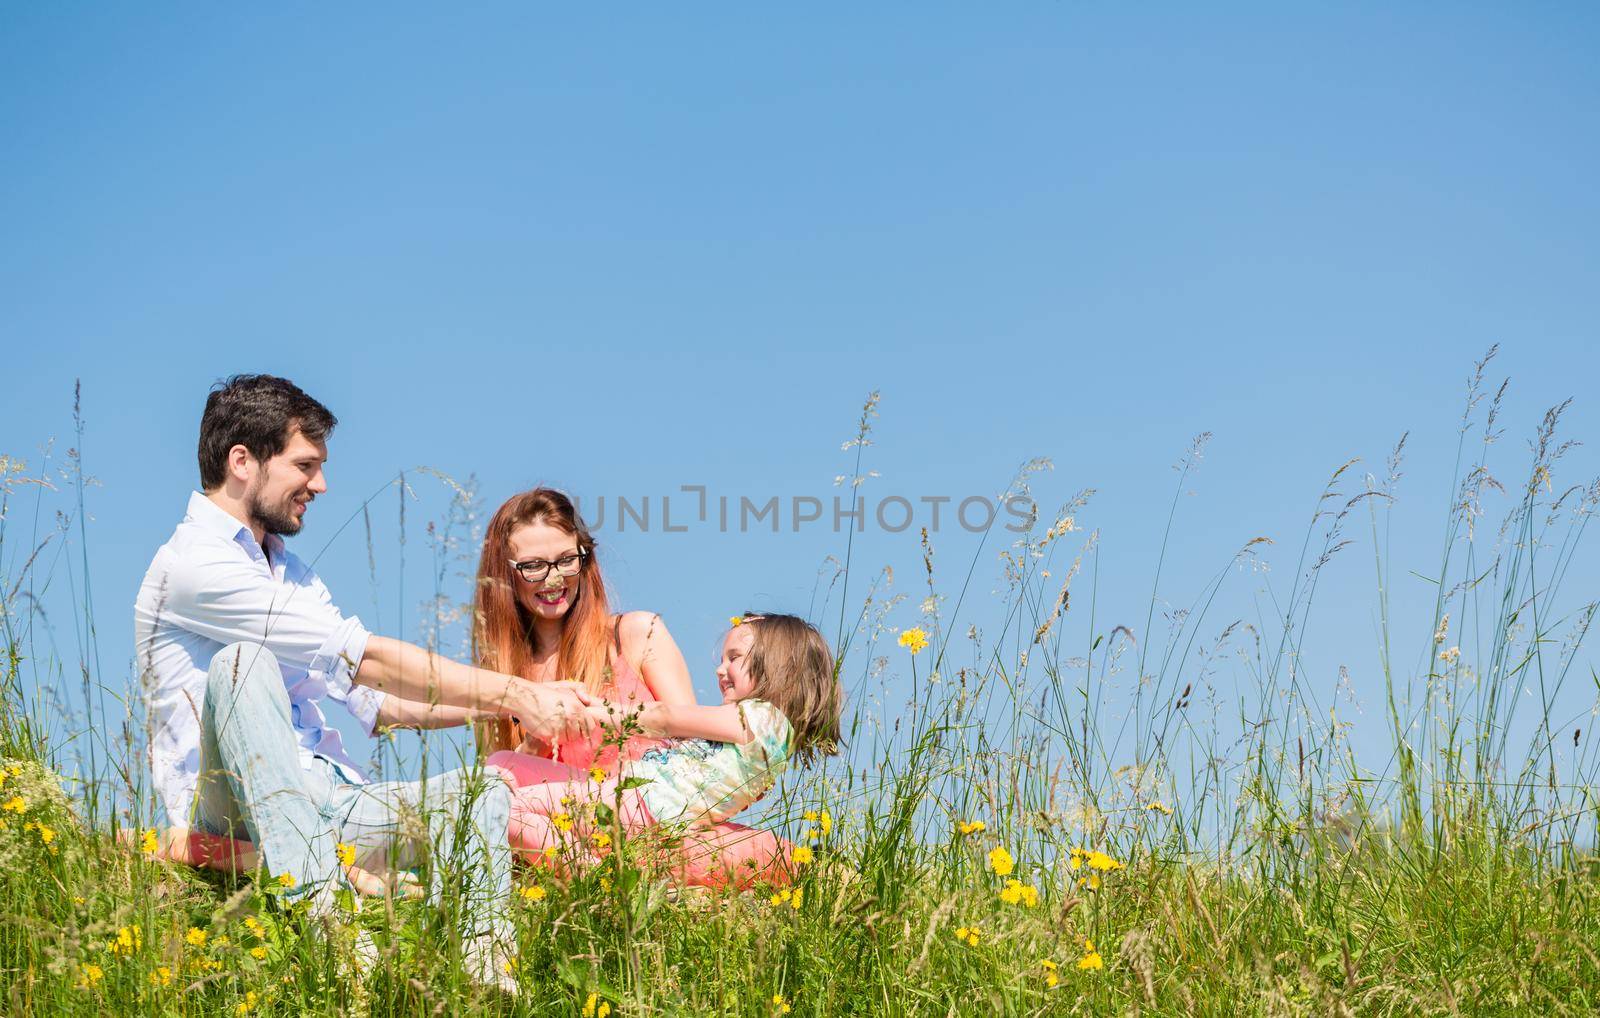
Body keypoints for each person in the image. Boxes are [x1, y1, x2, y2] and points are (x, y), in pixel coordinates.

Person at [133, 374, 588, 992]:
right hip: (229, 810)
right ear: (243, 461)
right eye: (305, 465)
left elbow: (380, 702)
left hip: (334, 801)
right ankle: (334, 936)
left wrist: (519, 702)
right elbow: (362, 657)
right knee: (243, 665)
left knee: (483, 792)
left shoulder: (289, 572)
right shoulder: (192, 566)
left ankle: (487, 979)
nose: (320, 485)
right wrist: (515, 693)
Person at [473, 489, 805, 888]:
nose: (554, 578)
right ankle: (593, 878)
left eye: (566, 560)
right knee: (494, 782)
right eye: (533, 567)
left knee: (766, 858)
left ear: (585, 558)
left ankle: (608, 880)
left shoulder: (635, 633)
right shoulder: (503, 680)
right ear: (504, 572)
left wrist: (597, 716)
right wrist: (537, 737)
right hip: (564, 827)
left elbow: (695, 743)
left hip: (658, 825)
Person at [488, 613, 840, 848]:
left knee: (502, 808)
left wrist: (591, 710)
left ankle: (583, 869)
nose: (720, 669)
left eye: (734, 658)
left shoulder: (766, 722)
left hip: (647, 810)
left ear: (780, 666)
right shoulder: (751, 724)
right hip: (628, 795)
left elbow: (667, 717)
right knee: (503, 763)